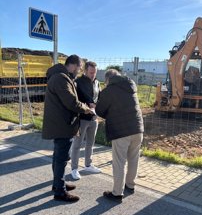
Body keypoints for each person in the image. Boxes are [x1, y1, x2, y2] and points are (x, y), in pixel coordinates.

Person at [42, 55, 93, 202]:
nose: (79, 71)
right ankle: (60, 191)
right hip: (62, 124)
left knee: (58, 156)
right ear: (74, 65)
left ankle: (57, 184)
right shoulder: (61, 78)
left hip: (60, 123)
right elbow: (71, 102)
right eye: (80, 68)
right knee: (61, 158)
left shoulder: (59, 76)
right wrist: (87, 109)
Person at [95, 69, 144, 202]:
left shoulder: (109, 91)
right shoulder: (130, 86)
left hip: (121, 131)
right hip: (138, 128)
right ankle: (130, 185)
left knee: (119, 162)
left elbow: (100, 111)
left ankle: (117, 193)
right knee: (134, 159)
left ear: (107, 80)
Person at [70, 61, 102, 179]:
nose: (93, 75)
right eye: (91, 72)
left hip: (94, 118)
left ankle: (88, 165)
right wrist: (87, 106)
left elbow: (99, 97)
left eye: (95, 72)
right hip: (82, 118)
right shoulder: (77, 82)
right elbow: (74, 100)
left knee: (90, 143)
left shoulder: (97, 83)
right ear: (85, 71)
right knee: (77, 144)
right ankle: (74, 169)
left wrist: (97, 106)